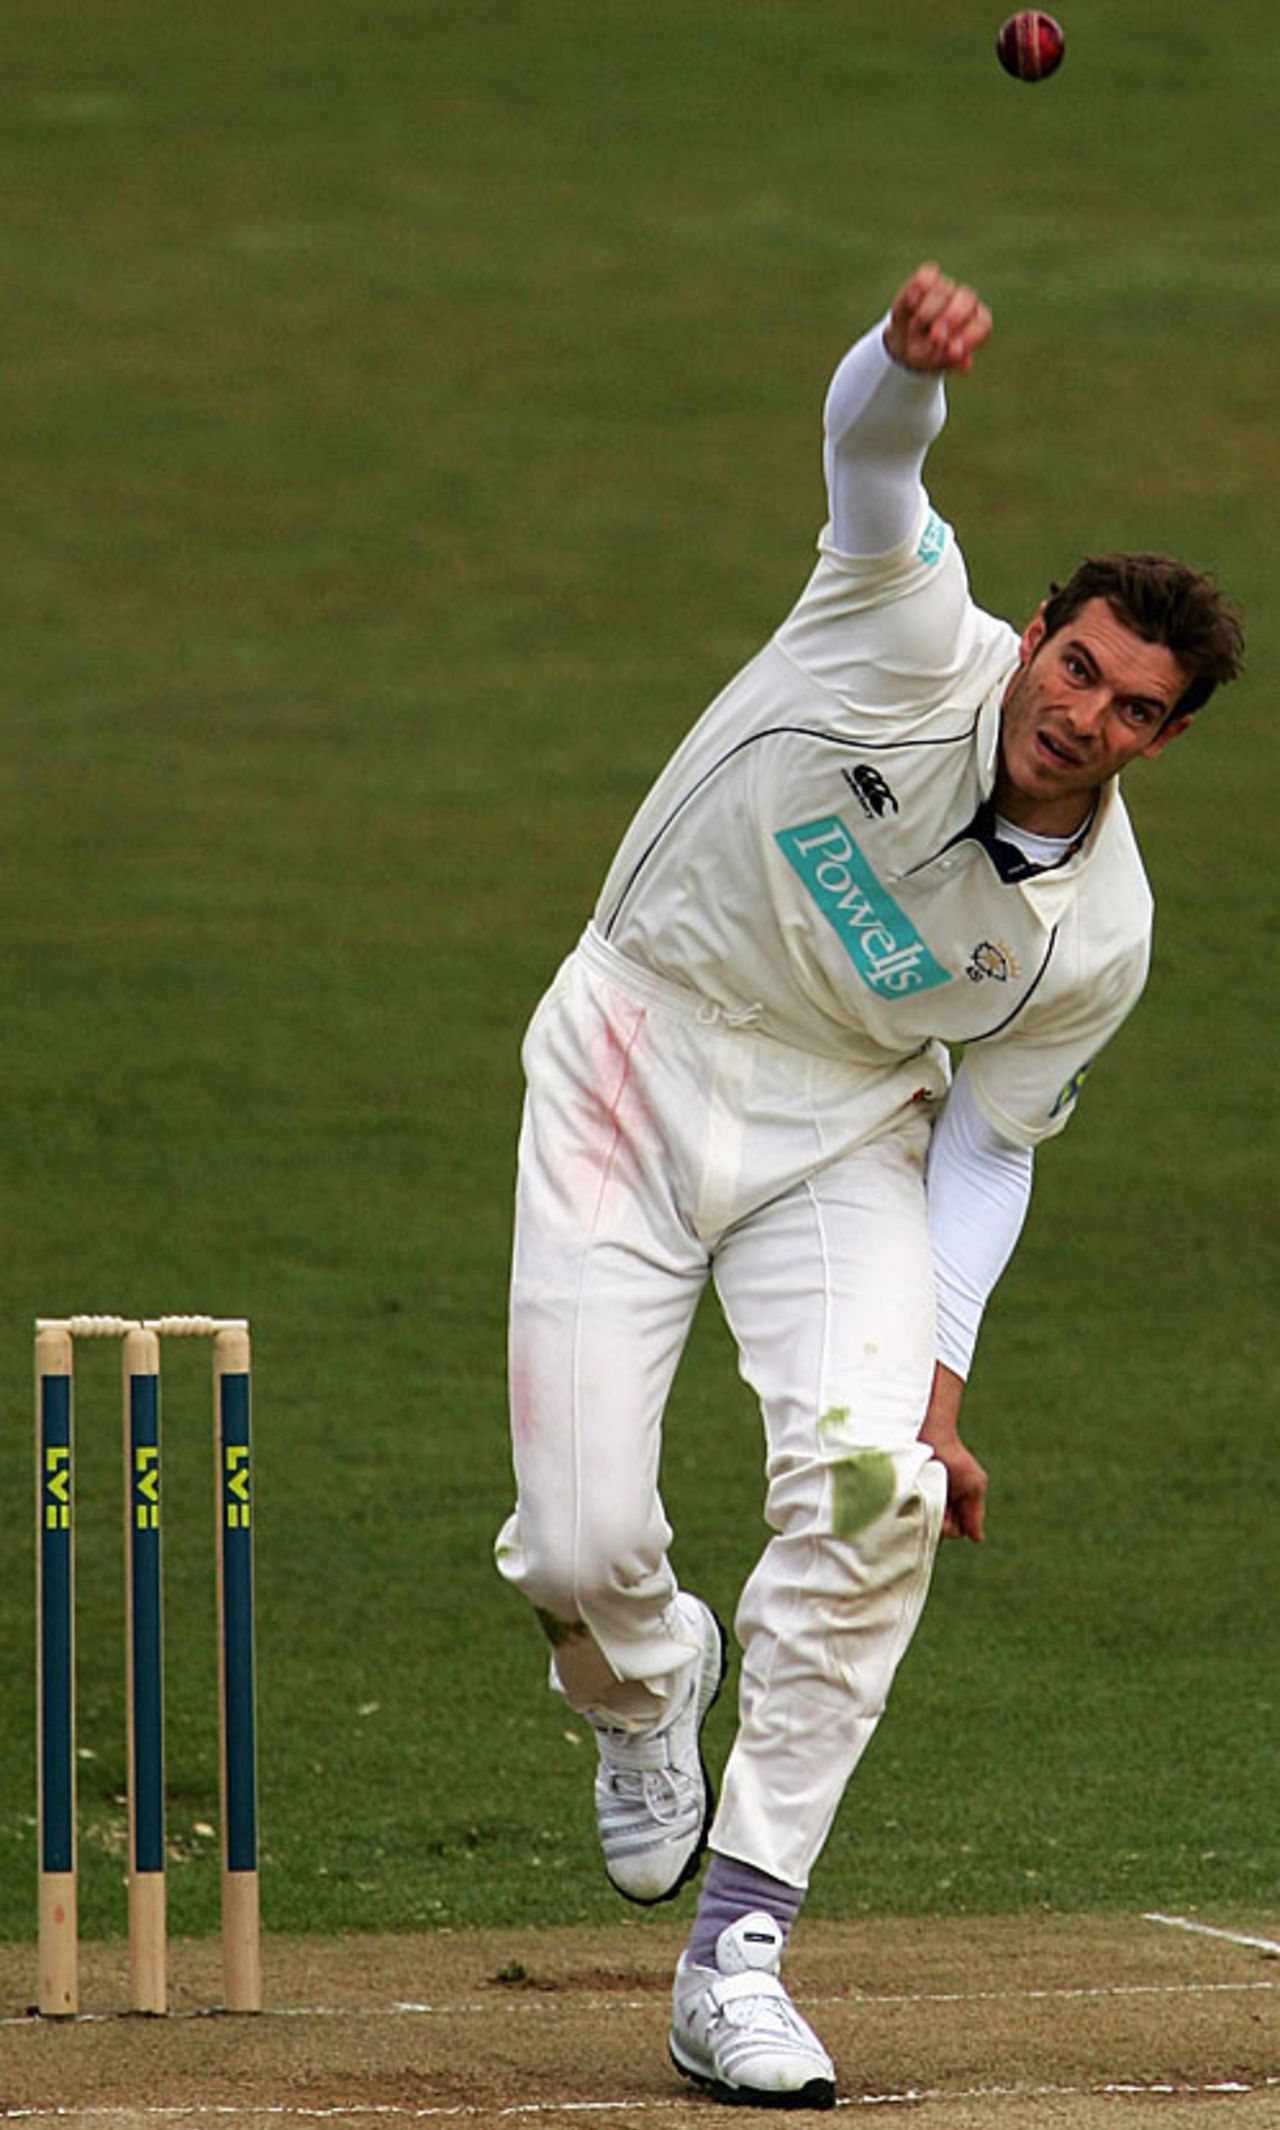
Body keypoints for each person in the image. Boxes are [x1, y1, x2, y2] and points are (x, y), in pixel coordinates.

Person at [493, 261, 1244, 2109]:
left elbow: (986, 1145)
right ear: (1036, 627)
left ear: (1165, 739)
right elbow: (871, 459)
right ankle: (648, 1679)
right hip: (629, 1060)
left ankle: (737, 1945)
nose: (1082, 715)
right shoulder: (902, 627)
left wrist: (937, 1386)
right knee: (582, 1546)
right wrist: (898, 365)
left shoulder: (1102, 934)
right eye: (1078, 663)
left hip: (839, 1145)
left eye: (1134, 709)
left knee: (872, 1491)